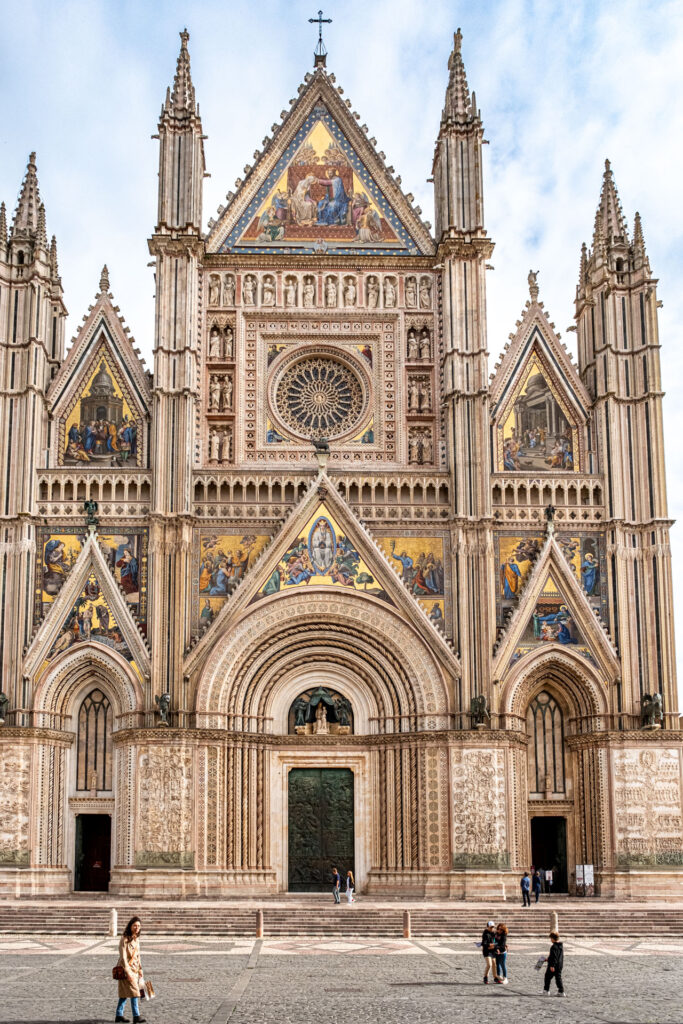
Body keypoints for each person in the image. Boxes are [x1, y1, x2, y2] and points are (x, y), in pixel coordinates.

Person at [115, 916, 146, 1023]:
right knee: (135, 992)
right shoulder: (124, 939)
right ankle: (136, 1016)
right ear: (130, 926)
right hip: (125, 969)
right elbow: (123, 957)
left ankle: (119, 1015)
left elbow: (138, 956)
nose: (137, 928)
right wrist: (128, 972)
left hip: (135, 969)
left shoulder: (136, 939)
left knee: (125, 994)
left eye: (138, 926)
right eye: (135, 925)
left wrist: (140, 969)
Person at [542, 931, 565, 996]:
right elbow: (557, 956)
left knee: (547, 977)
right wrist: (547, 959)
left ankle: (546, 990)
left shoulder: (553, 947)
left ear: (552, 938)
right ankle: (561, 991)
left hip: (553, 965)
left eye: (550, 938)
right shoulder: (560, 946)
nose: (550, 940)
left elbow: (554, 957)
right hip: (559, 965)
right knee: (558, 978)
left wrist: (552, 966)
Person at [480, 919, 497, 984]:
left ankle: (495, 978)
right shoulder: (485, 933)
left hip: (493, 950)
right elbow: (483, 943)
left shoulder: (494, 933)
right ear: (487, 927)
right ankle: (485, 977)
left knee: (494, 964)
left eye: (493, 927)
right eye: (491, 927)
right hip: (487, 951)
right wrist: (490, 944)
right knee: (489, 964)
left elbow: (496, 941)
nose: (492, 928)